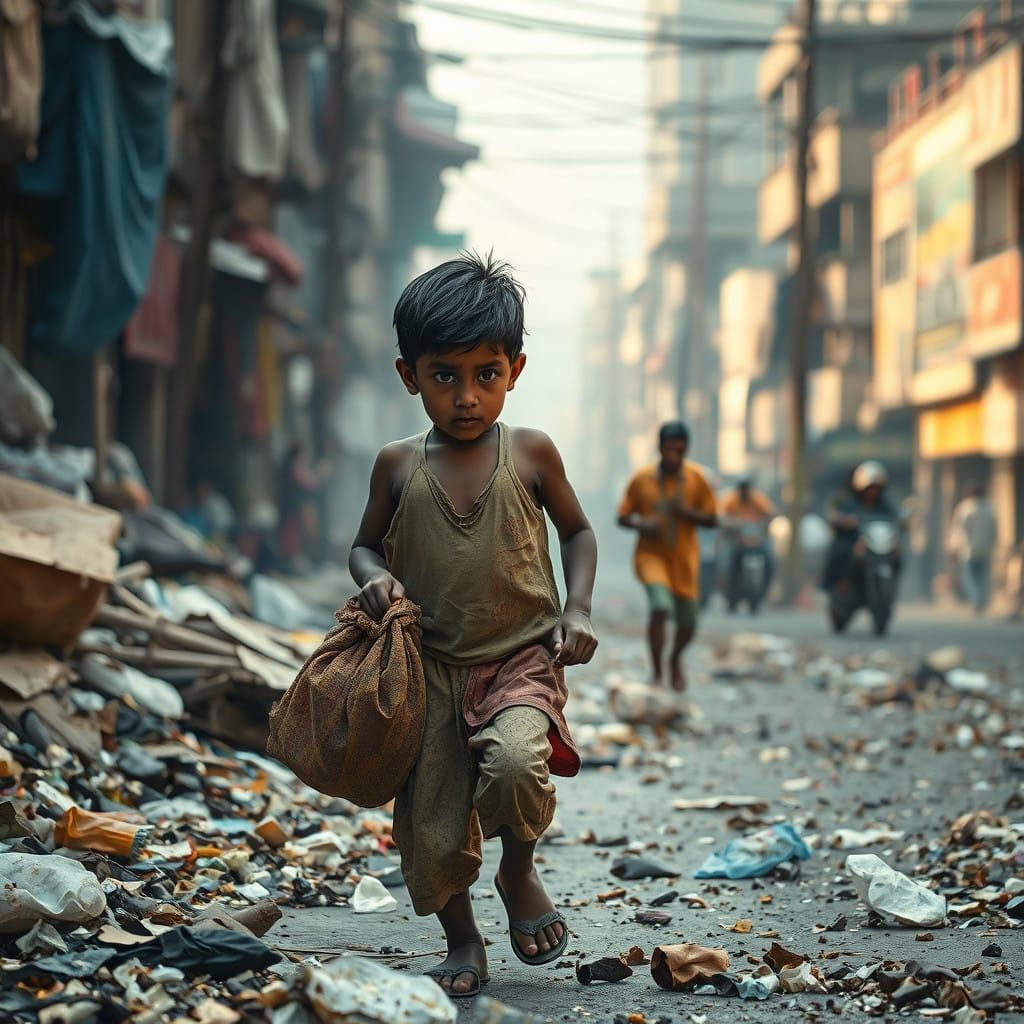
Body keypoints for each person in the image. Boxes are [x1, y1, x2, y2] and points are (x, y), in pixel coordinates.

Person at [349, 253, 598, 998]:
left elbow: (579, 533)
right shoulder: (397, 466)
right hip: (425, 667)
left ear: (515, 369)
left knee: (519, 766)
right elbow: (362, 545)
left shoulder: (530, 453)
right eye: (444, 376)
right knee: (430, 830)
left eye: (485, 374)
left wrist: (577, 611)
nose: (466, 397)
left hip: (519, 660)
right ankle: (462, 936)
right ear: (409, 375)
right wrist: (375, 578)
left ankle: (518, 873)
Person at [617, 421, 717, 692]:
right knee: (660, 607)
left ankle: (674, 659)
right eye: (668, 448)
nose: (673, 454)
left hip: (684, 560)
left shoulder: (697, 479)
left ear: (686, 449)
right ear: (660, 448)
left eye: (679, 449)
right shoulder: (641, 479)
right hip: (651, 557)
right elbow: (623, 516)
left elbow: (711, 519)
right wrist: (642, 524)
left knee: (689, 622)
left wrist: (686, 512)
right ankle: (658, 672)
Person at [823, 460, 897, 589]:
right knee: (841, 552)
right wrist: (844, 521)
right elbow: (835, 516)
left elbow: (895, 516)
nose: (872, 492)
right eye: (870, 489)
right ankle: (838, 584)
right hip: (855, 538)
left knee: (898, 553)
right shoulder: (848, 502)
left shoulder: (884, 504)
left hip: (879, 542)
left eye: (876, 489)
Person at [719, 476, 776, 604]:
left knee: (770, 560)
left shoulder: (758, 499)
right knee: (728, 564)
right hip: (737, 540)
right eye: (742, 489)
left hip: (756, 538)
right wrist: (731, 525)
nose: (744, 492)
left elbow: (770, 514)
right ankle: (731, 596)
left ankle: (763, 591)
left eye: (746, 489)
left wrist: (764, 526)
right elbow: (723, 517)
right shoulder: (731, 500)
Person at [948, 482, 997, 614]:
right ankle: (981, 599)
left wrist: (953, 547)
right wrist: (993, 544)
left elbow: (957, 530)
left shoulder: (964, 508)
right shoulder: (989, 508)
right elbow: (994, 530)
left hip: (968, 550)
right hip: (985, 549)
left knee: (971, 578)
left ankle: (977, 600)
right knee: (982, 577)